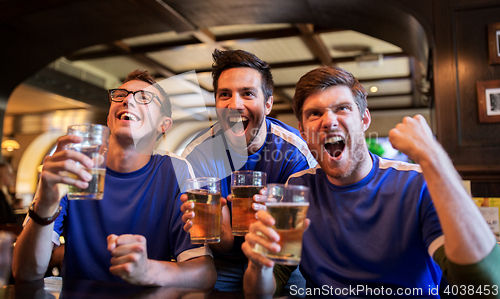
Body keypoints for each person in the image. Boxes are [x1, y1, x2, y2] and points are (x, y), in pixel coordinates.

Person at [242, 66, 500, 297]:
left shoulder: (416, 183)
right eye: (315, 114)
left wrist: (434, 158)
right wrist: (258, 264)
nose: (329, 121)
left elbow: (487, 287)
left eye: (342, 108)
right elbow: (260, 293)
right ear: (303, 131)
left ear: (364, 119)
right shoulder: (297, 190)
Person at [12, 70, 216, 288]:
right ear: (110, 118)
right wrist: (44, 202)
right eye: (120, 95)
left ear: (163, 125)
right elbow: (25, 272)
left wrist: (149, 270)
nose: (127, 99)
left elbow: (204, 273)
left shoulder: (175, 169)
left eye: (144, 97)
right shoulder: (76, 165)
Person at [180, 49, 317, 291]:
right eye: (225, 94)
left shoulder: (295, 152)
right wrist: (214, 224)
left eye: (247, 94)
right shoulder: (197, 154)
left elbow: (290, 242)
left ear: (268, 103)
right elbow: (222, 242)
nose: (235, 104)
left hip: (277, 259)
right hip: (224, 261)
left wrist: (273, 222)